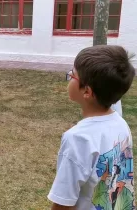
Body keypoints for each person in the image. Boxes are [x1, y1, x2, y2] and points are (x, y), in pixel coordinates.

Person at [48, 45, 135, 210]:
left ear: (86, 91)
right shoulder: (121, 124)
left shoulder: (78, 138)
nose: (69, 77)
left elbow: (63, 202)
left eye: (72, 75)